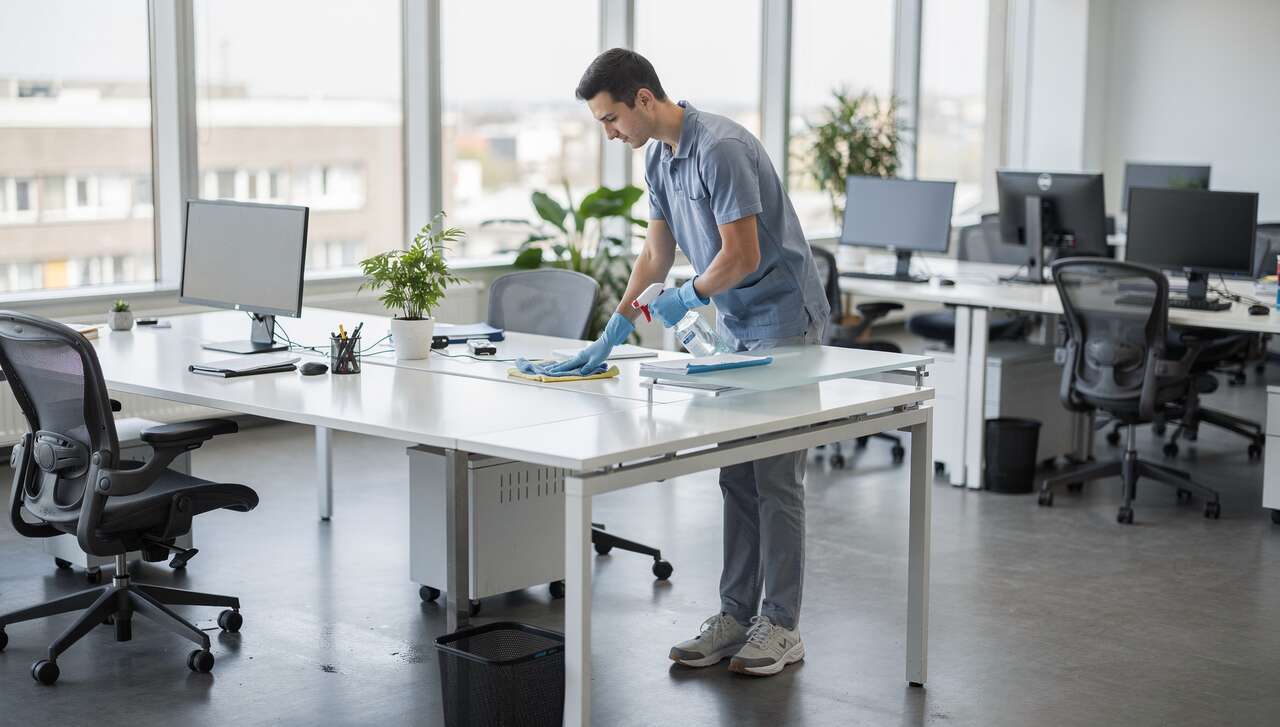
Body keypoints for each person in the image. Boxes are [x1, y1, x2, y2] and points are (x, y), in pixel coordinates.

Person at [554, 48, 830, 677]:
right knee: (735, 474)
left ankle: (782, 625)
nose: (610, 132)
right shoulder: (657, 157)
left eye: (610, 119)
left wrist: (687, 297)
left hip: (785, 319)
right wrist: (615, 327)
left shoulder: (722, 149)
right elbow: (655, 255)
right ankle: (735, 617)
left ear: (643, 100)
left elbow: (740, 254)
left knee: (776, 478)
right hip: (736, 324)